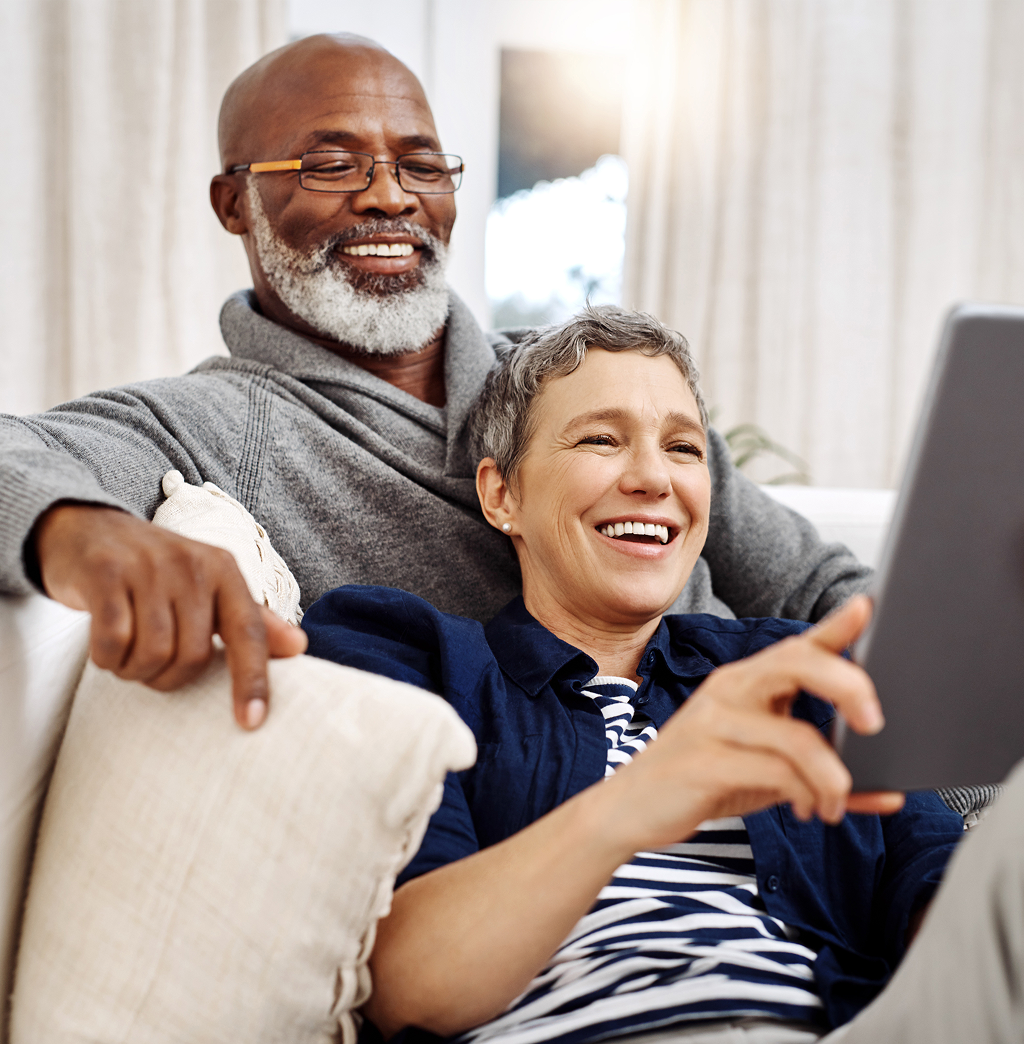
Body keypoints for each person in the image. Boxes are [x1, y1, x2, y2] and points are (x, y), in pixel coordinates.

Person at [0, 34, 869, 733]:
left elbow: (820, 594)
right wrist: (82, 534)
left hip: (797, 812)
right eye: (331, 165)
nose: (390, 198)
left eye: (420, 165)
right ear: (235, 204)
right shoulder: (211, 426)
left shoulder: (589, 383)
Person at [301, 308, 1021, 1044]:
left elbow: (949, 905)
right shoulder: (410, 659)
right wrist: (643, 796)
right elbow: (413, 991)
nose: (653, 478)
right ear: (501, 495)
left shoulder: (802, 671)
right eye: (600, 440)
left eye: (683, 448)